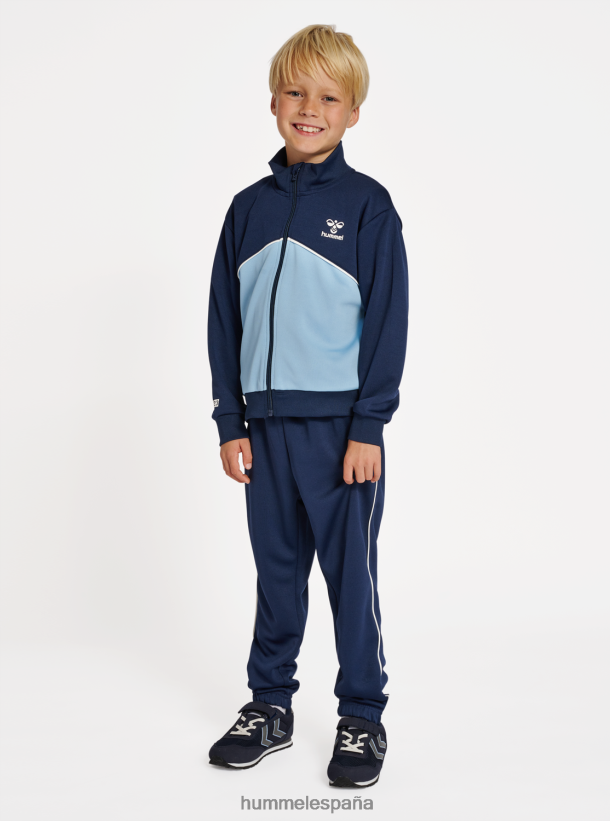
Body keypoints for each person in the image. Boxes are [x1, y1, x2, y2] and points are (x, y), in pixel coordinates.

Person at [206, 23, 408, 788]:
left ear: (353, 112)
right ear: (272, 102)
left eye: (328, 97)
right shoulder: (246, 209)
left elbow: (387, 322)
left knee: (350, 578)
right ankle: (270, 704)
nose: (309, 109)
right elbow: (223, 321)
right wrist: (231, 420)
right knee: (277, 571)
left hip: (339, 432)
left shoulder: (368, 207)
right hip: (264, 431)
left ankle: (362, 713)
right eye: (295, 92)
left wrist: (369, 426)